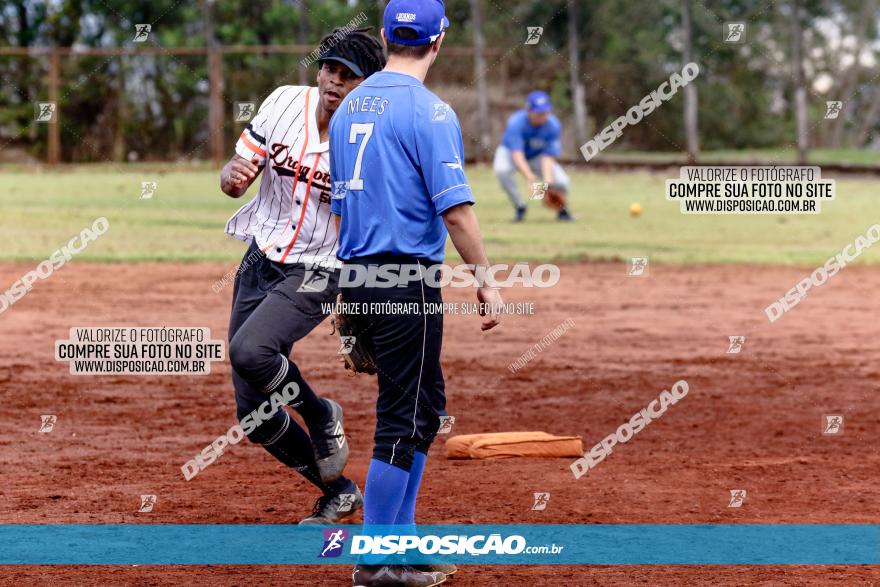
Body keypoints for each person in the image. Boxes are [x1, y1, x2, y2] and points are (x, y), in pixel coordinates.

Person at [330, 1, 503, 585]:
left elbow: (339, 208)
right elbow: (455, 213)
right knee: (401, 419)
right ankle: (375, 560)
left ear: (383, 37)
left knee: (424, 409)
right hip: (406, 280)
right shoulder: (431, 113)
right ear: (440, 41)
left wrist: (347, 292)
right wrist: (486, 280)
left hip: (361, 275)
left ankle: (403, 544)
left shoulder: (351, 102)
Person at [218, 27, 385, 525]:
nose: (335, 81)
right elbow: (237, 168)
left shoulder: (370, 144)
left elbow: (370, 227)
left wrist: (358, 297)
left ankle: (319, 414)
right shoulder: (285, 103)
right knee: (254, 415)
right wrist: (233, 177)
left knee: (251, 351)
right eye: (330, 69)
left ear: (368, 86)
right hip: (260, 256)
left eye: (349, 76)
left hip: (319, 268)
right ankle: (338, 490)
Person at [493, 90, 574, 222]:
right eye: (539, 113)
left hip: (537, 155)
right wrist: (530, 178)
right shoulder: (516, 122)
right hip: (509, 152)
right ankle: (520, 207)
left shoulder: (553, 125)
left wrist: (547, 185)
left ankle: (562, 211)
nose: (543, 116)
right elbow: (517, 154)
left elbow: (548, 156)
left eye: (546, 112)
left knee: (562, 181)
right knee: (502, 170)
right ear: (529, 111)